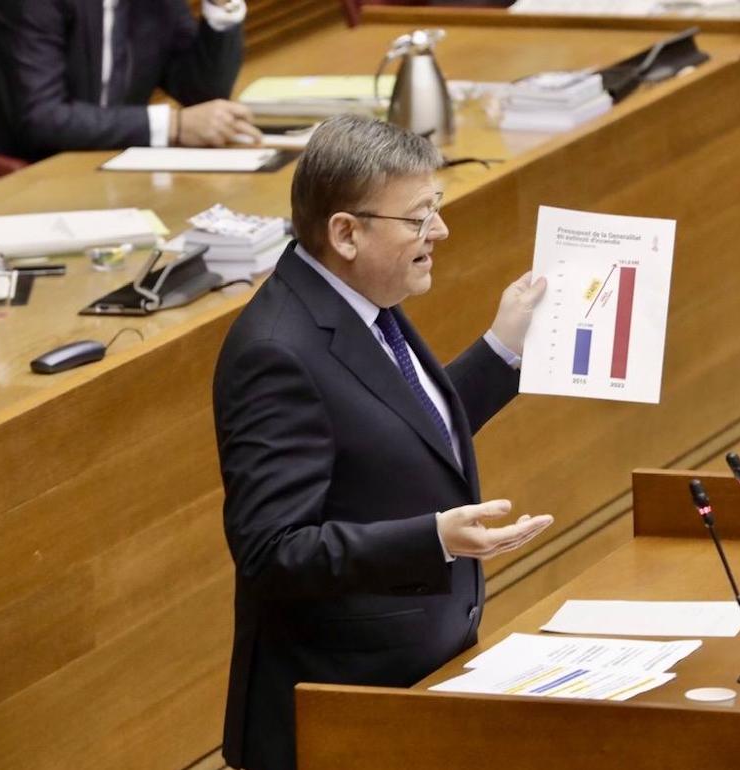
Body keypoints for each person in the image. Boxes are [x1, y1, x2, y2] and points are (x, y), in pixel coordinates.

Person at [213, 114, 553, 770]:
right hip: (335, 716)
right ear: (346, 232)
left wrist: (503, 349)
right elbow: (271, 552)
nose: (440, 231)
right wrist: (433, 538)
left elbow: (399, 432)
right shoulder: (276, 352)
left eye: (438, 208)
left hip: (404, 687)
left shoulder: (359, 303)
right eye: (419, 216)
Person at [0, 0, 262, 161]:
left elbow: (200, 92)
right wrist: (172, 125)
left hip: (72, 170)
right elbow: (41, 119)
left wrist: (223, 6)